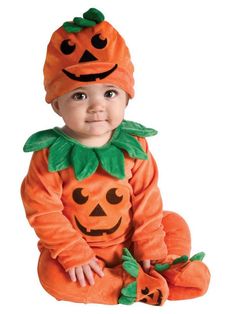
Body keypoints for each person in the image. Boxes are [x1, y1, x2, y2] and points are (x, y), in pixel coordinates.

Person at [21, 8, 210, 305]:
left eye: (109, 93)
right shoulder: (48, 155)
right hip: (82, 251)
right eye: (80, 95)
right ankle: (134, 285)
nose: (97, 107)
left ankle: (163, 265)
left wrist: (149, 247)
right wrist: (74, 254)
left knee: (173, 222)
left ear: (127, 97)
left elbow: (147, 197)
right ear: (57, 105)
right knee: (51, 276)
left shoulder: (134, 145)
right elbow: (43, 211)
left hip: (132, 239)